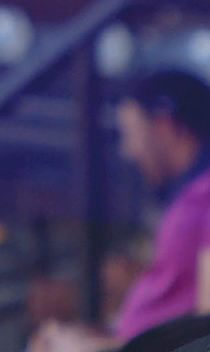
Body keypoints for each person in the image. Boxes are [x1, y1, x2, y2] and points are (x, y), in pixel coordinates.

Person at [30, 35, 210, 352]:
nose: (128, 151)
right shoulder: (190, 197)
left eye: (132, 133)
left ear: (165, 126)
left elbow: (207, 324)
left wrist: (100, 349)